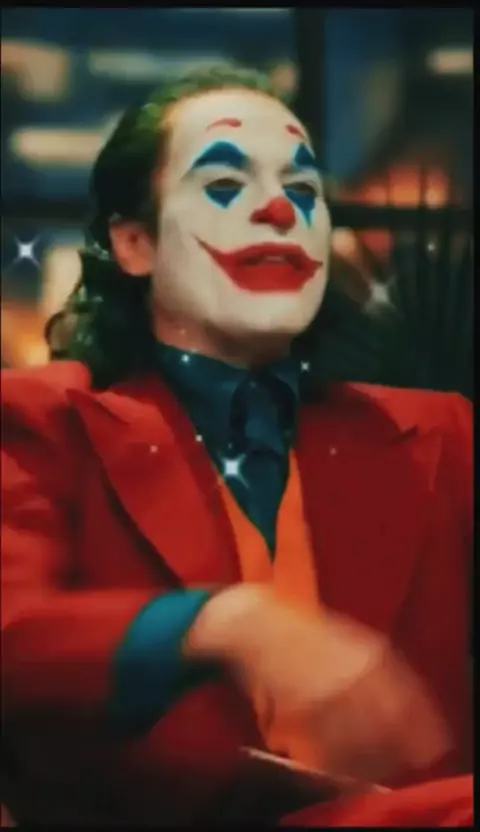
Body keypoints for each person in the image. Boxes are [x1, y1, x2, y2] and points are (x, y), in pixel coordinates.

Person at [1, 65, 472, 827]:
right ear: (134, 242)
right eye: (224, 184)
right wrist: (223, 624)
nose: (282, 209)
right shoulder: (42, 422)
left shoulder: (442, 436)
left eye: (305, 190)